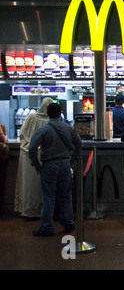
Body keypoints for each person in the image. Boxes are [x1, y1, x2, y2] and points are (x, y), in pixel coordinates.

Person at [28, 102, 82, 236]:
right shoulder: (69, 128)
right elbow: (79, 144)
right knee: (66, 195)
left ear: (47, 114)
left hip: (49, 165)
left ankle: (47, 227)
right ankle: (68, 222)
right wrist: (72, 159)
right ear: (61, 112)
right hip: (65, 164)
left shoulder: (44, 129)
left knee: (48, 196)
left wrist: (37, 164)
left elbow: (32, 148)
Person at [14, 97, 53, 219]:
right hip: (46, 156)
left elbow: (22, 134)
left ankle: (28, 210)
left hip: (28, 155)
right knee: (44, 187)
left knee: (29, 184)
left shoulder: (31, 117)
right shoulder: (52, 121)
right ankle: (43, 211)